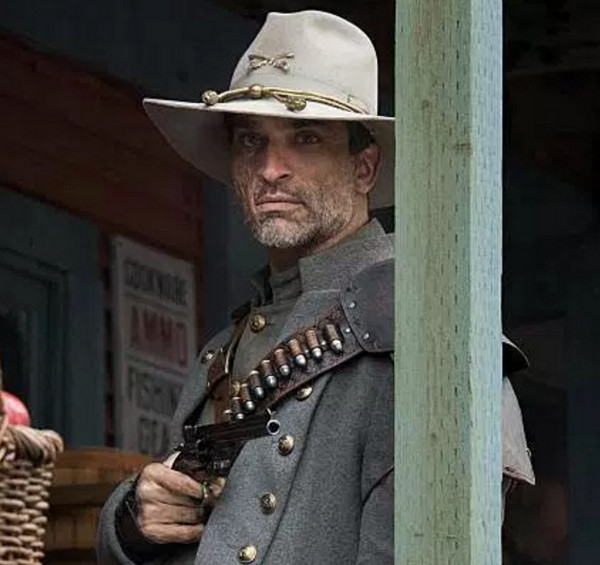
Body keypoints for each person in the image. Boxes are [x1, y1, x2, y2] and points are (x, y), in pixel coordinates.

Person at [97, 10, 534, 565]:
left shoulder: (425, 332)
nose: (271, 169)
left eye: (305, 139)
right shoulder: (222, 354)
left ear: (364, 168)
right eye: (251, 141)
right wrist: (133, 522)